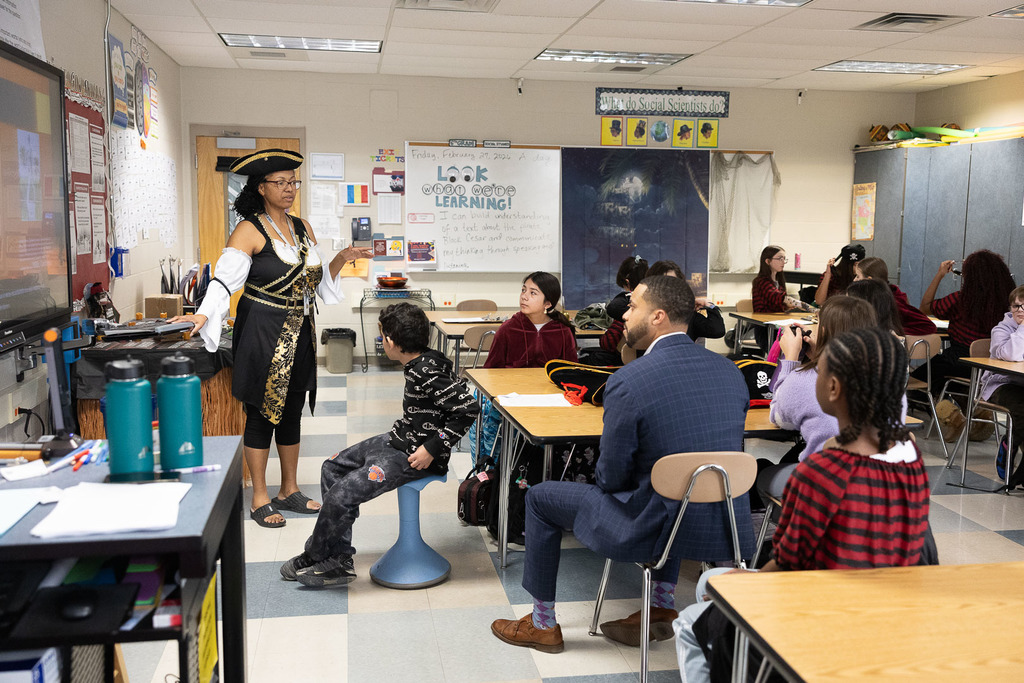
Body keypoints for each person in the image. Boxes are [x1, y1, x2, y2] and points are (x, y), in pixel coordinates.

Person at [489, 276, 752, 654]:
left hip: (647, 529)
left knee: (541, 498)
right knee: (678, 488)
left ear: (658, 316)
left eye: (633, 307)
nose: (624, 315)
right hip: (721, 526)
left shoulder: (629, 380)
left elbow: (610, 478)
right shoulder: (730, 373)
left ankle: (542, 624)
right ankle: (660, 605)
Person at [675, 327, 931, 683]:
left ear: (834, 388)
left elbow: (787, 565)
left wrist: (742, 586)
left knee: (693, 613)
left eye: (820, 369)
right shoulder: (910, 457)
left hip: (817, 616)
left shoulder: (822, 473)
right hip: (886, 614)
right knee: (710, 580)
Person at [172, 149, 373, 528]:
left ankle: (289, 489)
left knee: (293, 408)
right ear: (261, 188)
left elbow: (315, 282)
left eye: (293, 182)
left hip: (300, 329)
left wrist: (342, 257)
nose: (289, 189)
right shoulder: (249, 229)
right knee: (263, 412)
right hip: (262, 329)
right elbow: (224, 279)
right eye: (280, 183)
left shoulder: (302, 228)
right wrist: (203, 312)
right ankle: (260, 496)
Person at [280, 303, 479, 586]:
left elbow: (468, 408)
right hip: (400, 439)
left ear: (392, 342)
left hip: (416, 455)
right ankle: (337, 557)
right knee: (332, 467)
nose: (381, 340)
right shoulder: (418, 363)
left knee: (341, 495)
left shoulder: (427, 371)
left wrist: (432, 449)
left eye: (382, 335)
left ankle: (317, 555)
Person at [917, 250, 1016, 396]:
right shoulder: (1008, 303)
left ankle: (939, 408)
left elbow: (924, 308)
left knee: (914, 383)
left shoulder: (961, 300)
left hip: (957, 361)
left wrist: (940, 274)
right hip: (989, 367)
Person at [979, 285, 1024, 488]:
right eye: (1017, 306)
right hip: (999, 384)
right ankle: (1010, 446)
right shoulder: (1001, 329)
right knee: (1021, 406)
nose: (1021, 310)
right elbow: (1011, 354)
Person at [484, 271, 577, 369]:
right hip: (513, 383)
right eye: (523, 290)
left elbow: (571, 370)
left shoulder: (562, 331)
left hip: (548, 384)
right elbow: (491, 369)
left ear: (548, 304)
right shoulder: (507, 329)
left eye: (533, 293)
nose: (524, 297)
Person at [854, 257, 935, 335]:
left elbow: (929, 326)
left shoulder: (893, 301)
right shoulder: (871, 298)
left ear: (868, 279)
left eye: (858, 276)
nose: (854, 280)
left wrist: (895, 332)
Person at [590, 256, 649, 364]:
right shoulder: (653, 304)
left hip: (622, 363)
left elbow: (607, 343)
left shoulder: (623, 303)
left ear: (627, 282)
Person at [648, 259, 725, 341]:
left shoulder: (686, 314)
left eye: (673, 282)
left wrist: (708, 304)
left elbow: (717, 331)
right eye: (663, 282)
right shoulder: (644, 312)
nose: (668, 286)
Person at [751, 246, 809, 314]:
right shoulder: (760, 281)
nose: (783, 262)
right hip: (762, 322)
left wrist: (787, 306)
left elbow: (779, 304)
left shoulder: (779, 282)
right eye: (780, 258)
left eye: (784, 259)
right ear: (768, 261)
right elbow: (776, 297)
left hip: (777, 320)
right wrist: (797, 303)